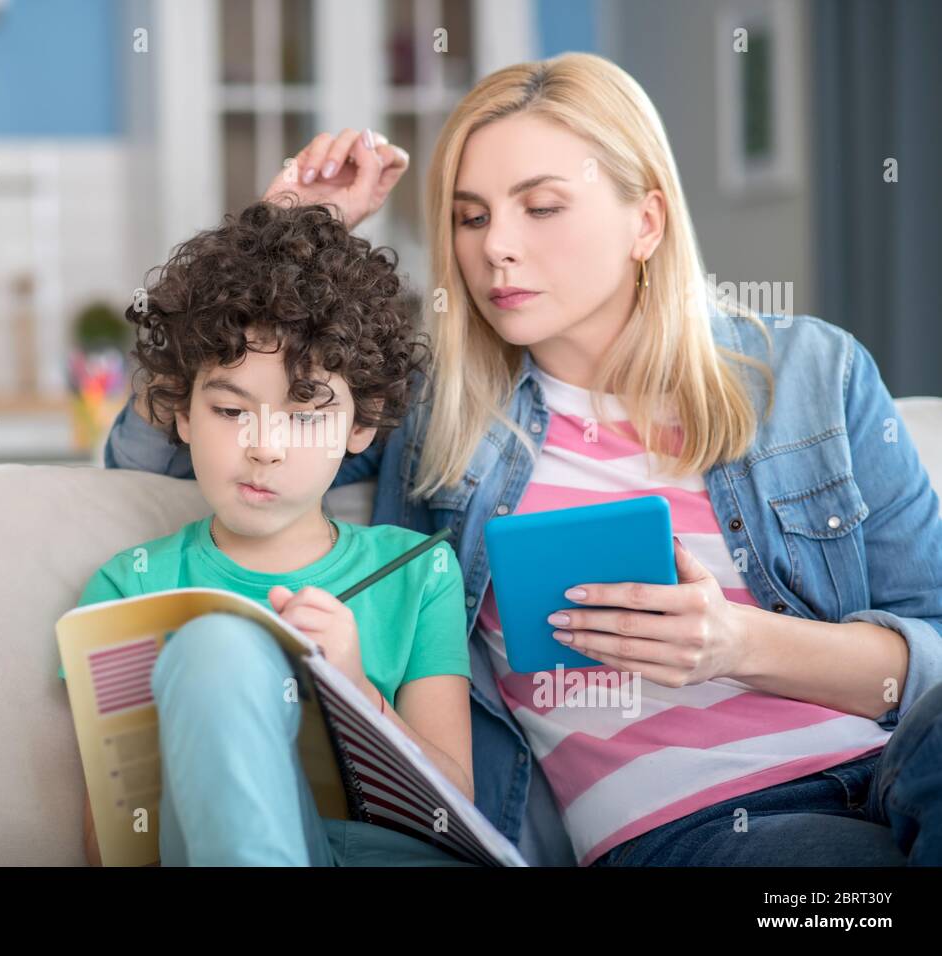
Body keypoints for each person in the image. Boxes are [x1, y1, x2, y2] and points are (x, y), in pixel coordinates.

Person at [102, 52, 942, 866]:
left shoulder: (811, 373)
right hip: (713, 824)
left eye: (540, 207)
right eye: (471, 216)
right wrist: (271, 247)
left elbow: (929, 645)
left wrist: (737, 643)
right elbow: (170, 456)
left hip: (901, 766)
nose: (495, 246)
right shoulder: (437, 409)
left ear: (645, 221)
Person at [75, 200, 479, 866]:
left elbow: (455, 808)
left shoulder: (419, 571)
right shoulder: (129, 587)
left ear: (361, 424)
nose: (263, 447)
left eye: (304, 416)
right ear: (180, 410)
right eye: (231, 410)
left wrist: (358, 691)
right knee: (215, 648)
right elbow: (112, 843)